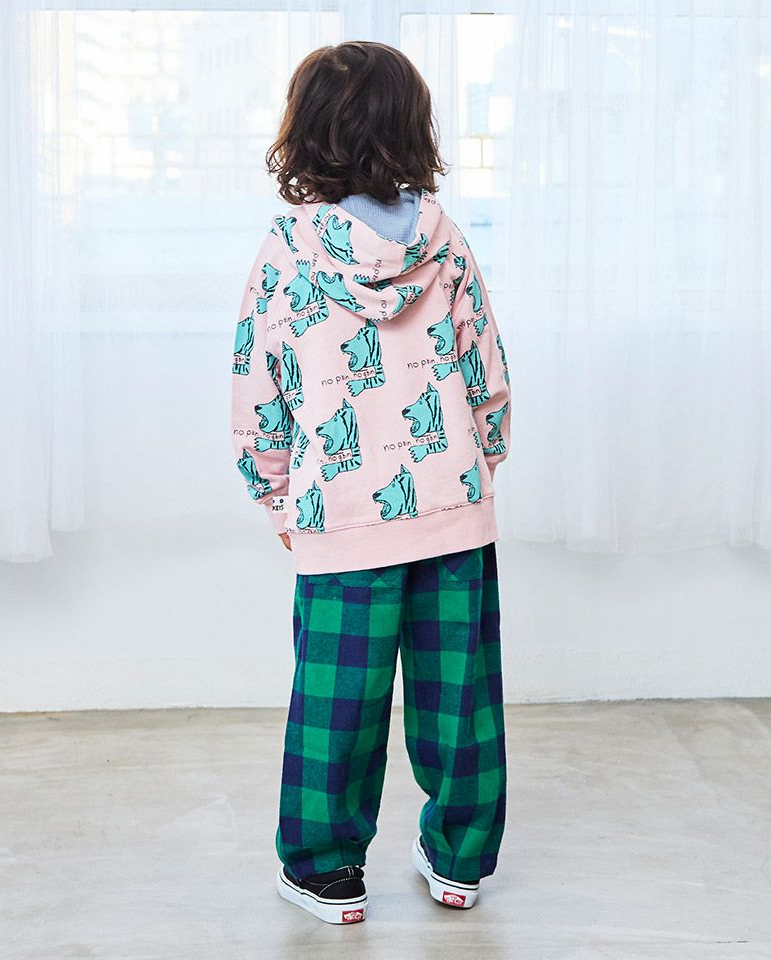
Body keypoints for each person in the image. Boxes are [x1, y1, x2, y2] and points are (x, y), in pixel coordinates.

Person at [230, 40, 511, 925]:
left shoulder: (287, 249)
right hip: (452, 512)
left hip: (339, 515)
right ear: (412, 128)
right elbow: (485, 372)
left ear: (307, 132)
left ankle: (326, 872)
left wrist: (276, 491)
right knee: (458, 700)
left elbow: (260, 384)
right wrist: (477, 464)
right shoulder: (445, 241)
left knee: (337, 701)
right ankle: (459, 862)